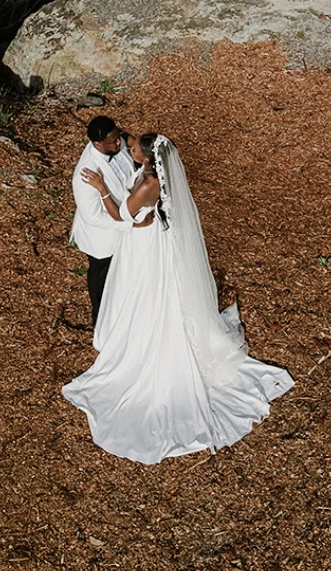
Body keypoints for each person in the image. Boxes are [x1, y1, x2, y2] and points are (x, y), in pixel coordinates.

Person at [63, 132, 294, 464]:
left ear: (145, 157)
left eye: (132, 149)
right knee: (152, 291)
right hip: (150, 238)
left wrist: (101, 188)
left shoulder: (148, 185)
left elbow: (120, 216)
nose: (129, 150)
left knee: (148, 294)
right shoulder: (154, 174)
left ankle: (145, 342)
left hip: (144, 245)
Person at [70, 115, 158, 326]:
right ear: (97, 144)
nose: (119, 144)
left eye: (118, 138)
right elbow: (93, 217)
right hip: (104, 238)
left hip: (129, 218)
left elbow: (127, 138)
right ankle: (100, 320)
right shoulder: (85, 175)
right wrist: (131, 225)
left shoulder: (116, 142)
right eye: (114, 142)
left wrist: (133, 143)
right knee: (102, 280)